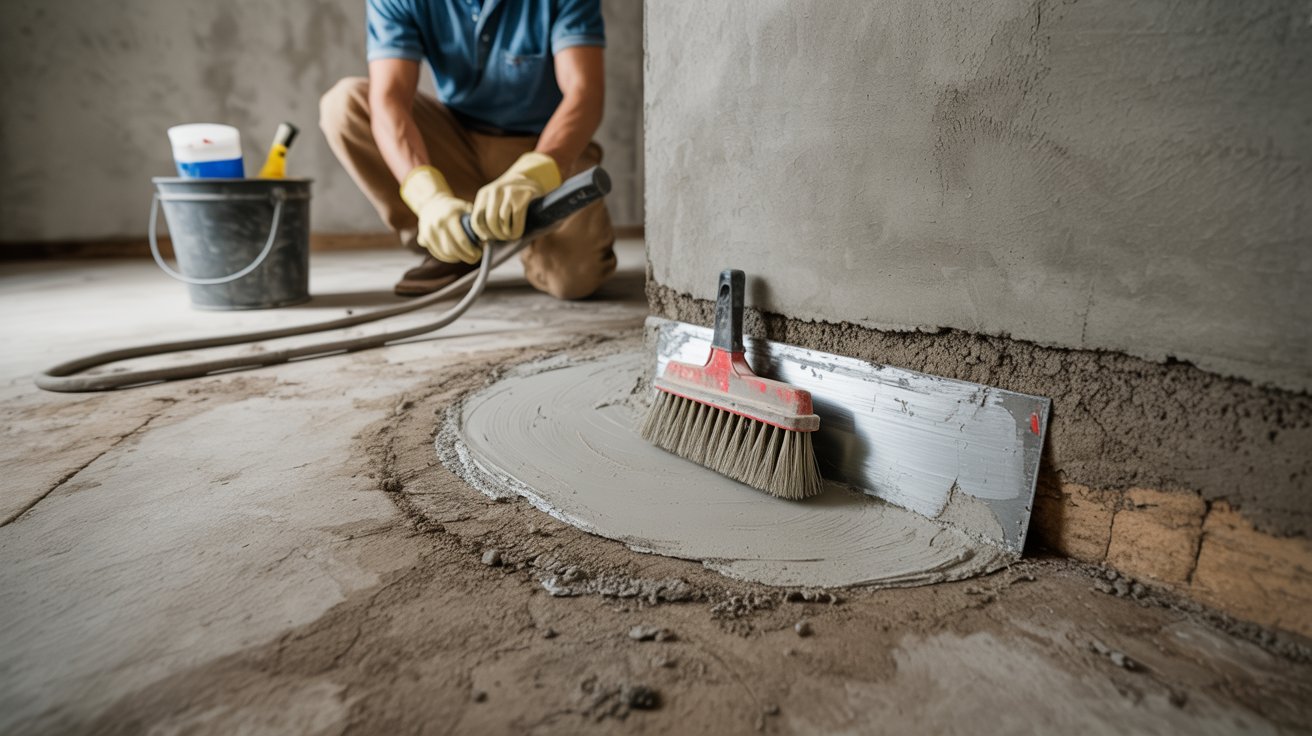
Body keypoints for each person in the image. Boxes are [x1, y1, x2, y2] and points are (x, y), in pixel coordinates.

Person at [320, 0, 615, 298]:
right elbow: (389, 100)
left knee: (575, 279)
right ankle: (455, 244)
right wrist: (428, 196)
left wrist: (534, 173)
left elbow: (585, 93)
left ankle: (516, 233)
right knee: (345, 105)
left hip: (545, 147)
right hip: (456, 143)